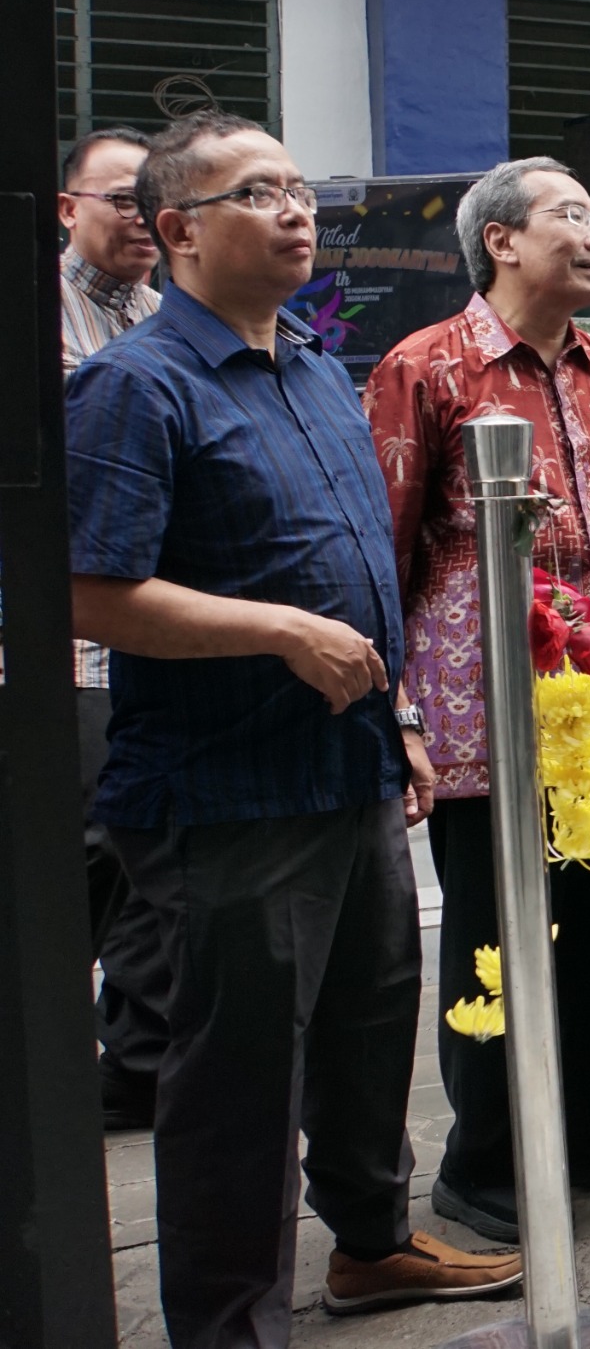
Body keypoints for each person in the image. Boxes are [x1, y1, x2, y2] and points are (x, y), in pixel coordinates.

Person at [66, 109, 522, 1349]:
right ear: (177, 231)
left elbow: (359, 573)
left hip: (353, 765)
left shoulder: (316, 370)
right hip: (228, 792)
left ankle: (370, 1246)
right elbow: (90, 589)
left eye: (297, 186)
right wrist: (275, 632)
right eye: (255, 191)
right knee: (240, 1083)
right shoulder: (133, 384)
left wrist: (406, 716)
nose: (295, 207)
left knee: (374, 1022)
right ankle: (228, 1321)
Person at [362, 157, 590, 1244]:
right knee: (495, 935)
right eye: (571, 215)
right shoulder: (426, 367)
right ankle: (480, 1156)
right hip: (486, 717)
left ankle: (587, 1127)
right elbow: (379, 550)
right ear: (500, 240)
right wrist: (394, 709)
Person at [56, 123, 172, 1130]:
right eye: (118, 199)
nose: (139, 216)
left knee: (148, 852)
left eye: (151, 199)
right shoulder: (39, 314)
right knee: (97, 847)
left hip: (152, 637)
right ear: (66, 208)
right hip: (70, 636)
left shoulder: (160, 311)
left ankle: (132, 1058)